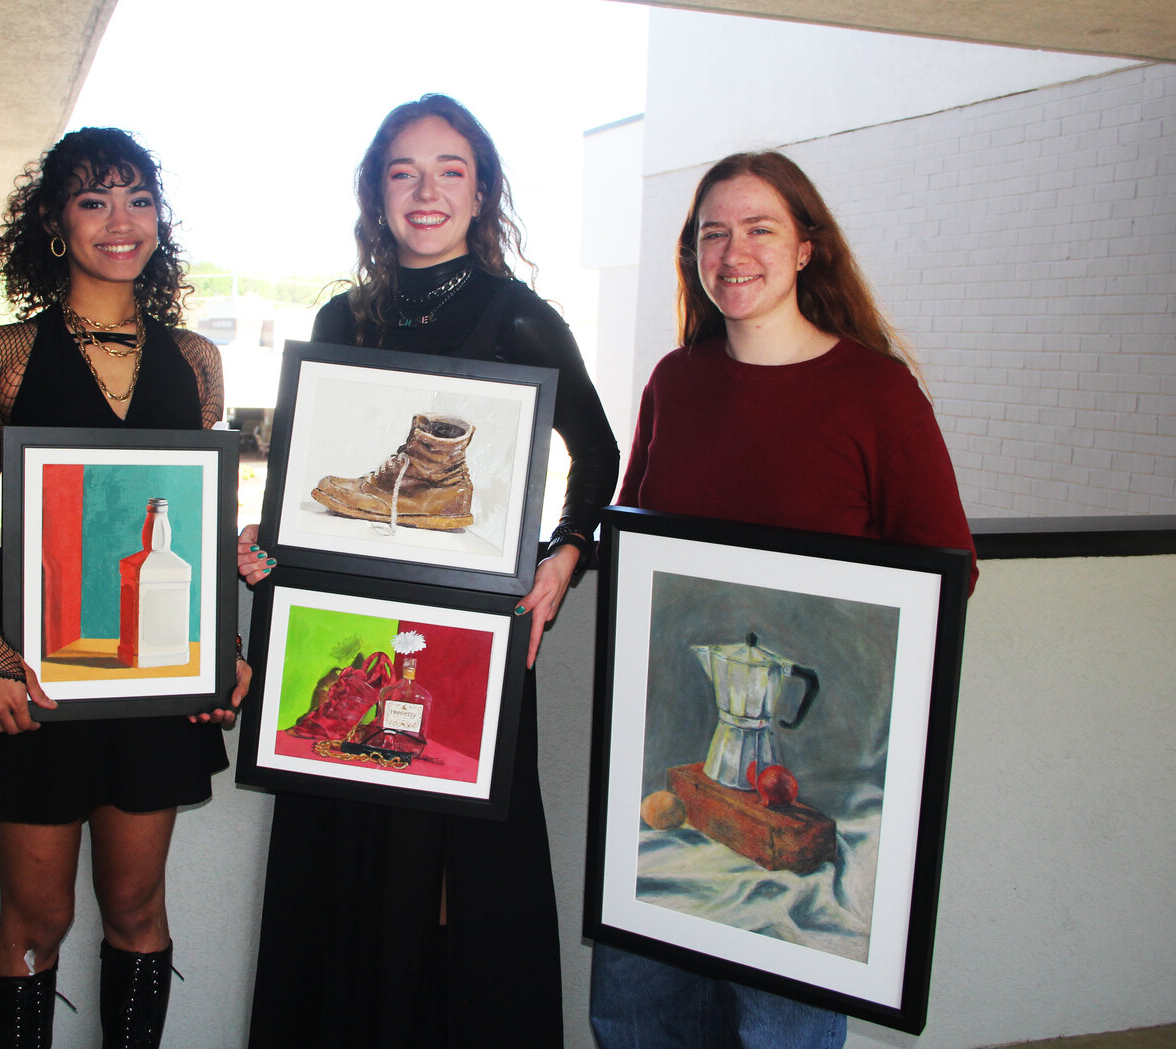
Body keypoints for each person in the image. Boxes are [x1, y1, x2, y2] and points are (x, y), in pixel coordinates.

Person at [238, 94, 619, 1048]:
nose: (427, 189)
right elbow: (312, 481)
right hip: (348, 629)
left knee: (457, 882)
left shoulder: (523, 318)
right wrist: (271, 541)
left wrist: (561, 559)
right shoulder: (341, 315)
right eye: (404, 170)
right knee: (346, 868)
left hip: (470, 646)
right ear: (377, 191)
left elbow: (604, 458)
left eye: (451, 169)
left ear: (481, 189)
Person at [588, 151, 978, 1048]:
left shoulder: (878, 393)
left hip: (812, 793)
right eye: (712, 232)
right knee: (639, 1022)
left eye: (760, 228)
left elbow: (945, 579)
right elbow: (630, 545)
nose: (733, 251)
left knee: (778, 1033)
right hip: (659, 792)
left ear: (807, 248)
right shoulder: (674, 383)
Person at [0, 127, 247, 1049]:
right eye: (93, 201)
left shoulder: (198, 360)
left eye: (137, 199)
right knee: (35, 923)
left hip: (153, 678)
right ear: (54, 221)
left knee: (137, 909)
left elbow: (196, 523)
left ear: (159, 218)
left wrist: (222, 649)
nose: (120, 222)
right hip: (31, 677)